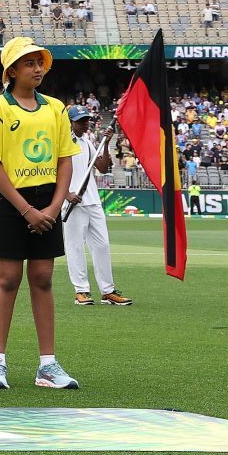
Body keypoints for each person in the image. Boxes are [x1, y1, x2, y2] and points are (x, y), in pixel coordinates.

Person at [0, 38, 80, 391]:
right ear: (12, 71)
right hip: (11, 201)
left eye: (40, 62)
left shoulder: (56, 108)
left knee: (43, 278)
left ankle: (47, 366)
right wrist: (26, 210)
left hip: (47, 201)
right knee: (7, 279)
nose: (38, 68)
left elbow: (65, 159)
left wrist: (53, 207)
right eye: (29, 63)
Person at [63, 106, 132, 307]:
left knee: (102, 245)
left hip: (92, 201)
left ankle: (107, 291)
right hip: (72, 203)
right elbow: (52, 172)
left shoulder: (87, 142)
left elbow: (102, 167)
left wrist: (106, 143)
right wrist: (66, 194)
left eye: (86, 120)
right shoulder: (62, 142)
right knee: (75, 246)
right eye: (81, 120)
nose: (85, 123)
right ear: (71, 122)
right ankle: (81, 290)